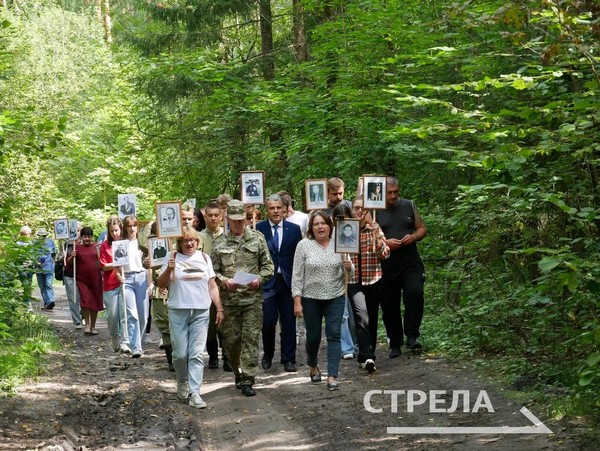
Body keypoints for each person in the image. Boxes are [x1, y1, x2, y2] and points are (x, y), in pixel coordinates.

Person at [212, 199, 274, 396]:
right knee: (231, 342)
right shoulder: (219, 243)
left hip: (252, 301)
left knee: (250, 338)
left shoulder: (257, 239)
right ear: (228, 219)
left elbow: (269, 267)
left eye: (242, 220)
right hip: (230, 301)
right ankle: (237, 373)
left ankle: (248, 378)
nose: (239, 224)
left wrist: (259, 279)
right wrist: (224, 281)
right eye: (235, 220)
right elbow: (212, 271)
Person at [157, 226, 224, 409]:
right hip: (178, 310)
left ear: (197, 242)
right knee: (179, 354)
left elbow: (212, 286)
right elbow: (160, 284)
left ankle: (195, 392)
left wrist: (219, 308)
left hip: (201, 311)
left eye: (192, 240)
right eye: (185, 240)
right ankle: (181, 381)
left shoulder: (204, 258)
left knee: (196, 354)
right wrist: (168, 270)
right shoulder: (172, 258)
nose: (189, 243)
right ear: (179, 243)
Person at [291, 211, 352, 391]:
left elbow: (348, 272)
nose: (320, 227)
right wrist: (297, 300)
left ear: (330, 226)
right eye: (316, 224)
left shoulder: (340, 243)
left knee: (334, 335)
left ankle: (332, 376)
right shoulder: (303, 246)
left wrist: (350, 267)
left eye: (323, 223)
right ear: (311, 227)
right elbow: (297, 276)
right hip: (311, 298)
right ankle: (312, 365)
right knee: (314, 337)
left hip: (336, 296)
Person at [377, 176, 427, 354]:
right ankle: (395, 343)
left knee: (415, 293)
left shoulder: (408, 205)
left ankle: (412, 336)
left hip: (410, 263)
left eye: (395, 192)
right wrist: (385, 243)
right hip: (386, 265)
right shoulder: (375, 210)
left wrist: (413, 236)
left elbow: (422, 228)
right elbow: (368, 236)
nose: (392, 196)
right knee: (389, 305)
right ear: (382, 192)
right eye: (389, 193)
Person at [256, 194, 302, 372]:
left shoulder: (294, 229)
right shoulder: (258, 229)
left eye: (278, 208)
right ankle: (268, 353)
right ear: (267, 210)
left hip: (288, 282)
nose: (275, 211)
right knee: (268, 322)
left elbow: (299, 257)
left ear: (284, 208)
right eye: (271, 208)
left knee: (289, 323)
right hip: (268, 283)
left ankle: (288, 358)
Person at [348, 197, 390, 373]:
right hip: (353, 281)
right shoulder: (345, 229)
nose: (359, 212)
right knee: (361, 316)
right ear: (351, 210)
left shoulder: (374, 229)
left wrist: (377, 236)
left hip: (373, 279)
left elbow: (385, 254)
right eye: (356, 208)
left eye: (362, 209)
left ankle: (366, 353)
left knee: (371, 318)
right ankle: (368, 356)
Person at [199, 200, 229, 371]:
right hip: (206, 286)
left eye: (216, 215)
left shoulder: (227, 236)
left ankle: (226, 356)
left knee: (225, 322)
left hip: (224, 285)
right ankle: (212, 356)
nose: (213, 218)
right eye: (209, 215)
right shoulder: (199, 237)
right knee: (210, 323)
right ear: (205, 216)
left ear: (221, 216)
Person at [117, 215, 149, 358]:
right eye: (129, 225)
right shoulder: (120, 244)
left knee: (143, 316)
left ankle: (139, 342)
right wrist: (118, 275)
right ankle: (136, 347)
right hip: (127, 279)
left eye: (134, 225)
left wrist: (150, 282)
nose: (132, 228)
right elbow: (117, 265)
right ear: (125, 227)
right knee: (132, 314)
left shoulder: (143, 244)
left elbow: (150, 265)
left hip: (142, 278)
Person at [331, 203, 359, 360]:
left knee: (354, 316)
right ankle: (346, 347)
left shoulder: (354, 230)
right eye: (338, 219)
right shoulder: (332, 234)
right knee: (343, 315)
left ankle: (355, 343)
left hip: (353, 278)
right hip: (337, 280)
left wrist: (350, 266)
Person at [66, 227, 103, 335]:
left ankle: (93, 326)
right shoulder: (76, 247)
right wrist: (71, 256)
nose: (87, 239)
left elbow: (101, 261)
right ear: (81, 237)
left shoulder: (96, 247)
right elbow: (69, 265)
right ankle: (86, 324)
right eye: (85, 236)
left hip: (95, 279)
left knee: (95, 301)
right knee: (85, 301)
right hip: (82, 279)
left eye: (89, 236)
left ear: (92, 237)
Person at [99, 216, 128, 353]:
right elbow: (104, 266)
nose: (115, 234)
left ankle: (124, 341)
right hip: (110, 284)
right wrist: (117, 262)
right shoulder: (105, 245)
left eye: (116, 230)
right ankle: (114, 336)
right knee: (112, 314)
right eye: (112, 231)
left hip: (123, 281)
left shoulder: (126, 242)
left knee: (124, 312)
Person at [61, 234, 82, 328]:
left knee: (84, 298)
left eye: (79, 231)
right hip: (70, 275)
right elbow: (61, 261)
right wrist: (65, 257)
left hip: (82, 275)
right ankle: (77, 321)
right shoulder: (66, 245)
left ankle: (84, 317)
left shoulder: (84, 243)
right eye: (75, 231)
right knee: (74, 299)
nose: (77, 234)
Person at [35, 228, 56, 310]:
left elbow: (54, 254)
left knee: (48, 284)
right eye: (40, 235)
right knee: (42, 286)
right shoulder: (35, 243)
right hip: (38, 267)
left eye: (43, 235)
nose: (42, 237)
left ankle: (51, 301)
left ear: (46, 235)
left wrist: (53, 262)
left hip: (48, 267)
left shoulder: (50, 242)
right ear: (38, 235)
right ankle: (47, 302)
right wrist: (36, 262)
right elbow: (32, 254)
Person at [16, 226, 35, 310]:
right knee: (26, 284)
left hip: (30, 266)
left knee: (29, 284)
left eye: (27, 234)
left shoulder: (32, 243)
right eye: (24, 234)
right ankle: (26, 303)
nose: (26, 236)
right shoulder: (18, 243)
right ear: (21, 234)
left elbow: (34, 254)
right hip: (21, 266)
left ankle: (28, 302)